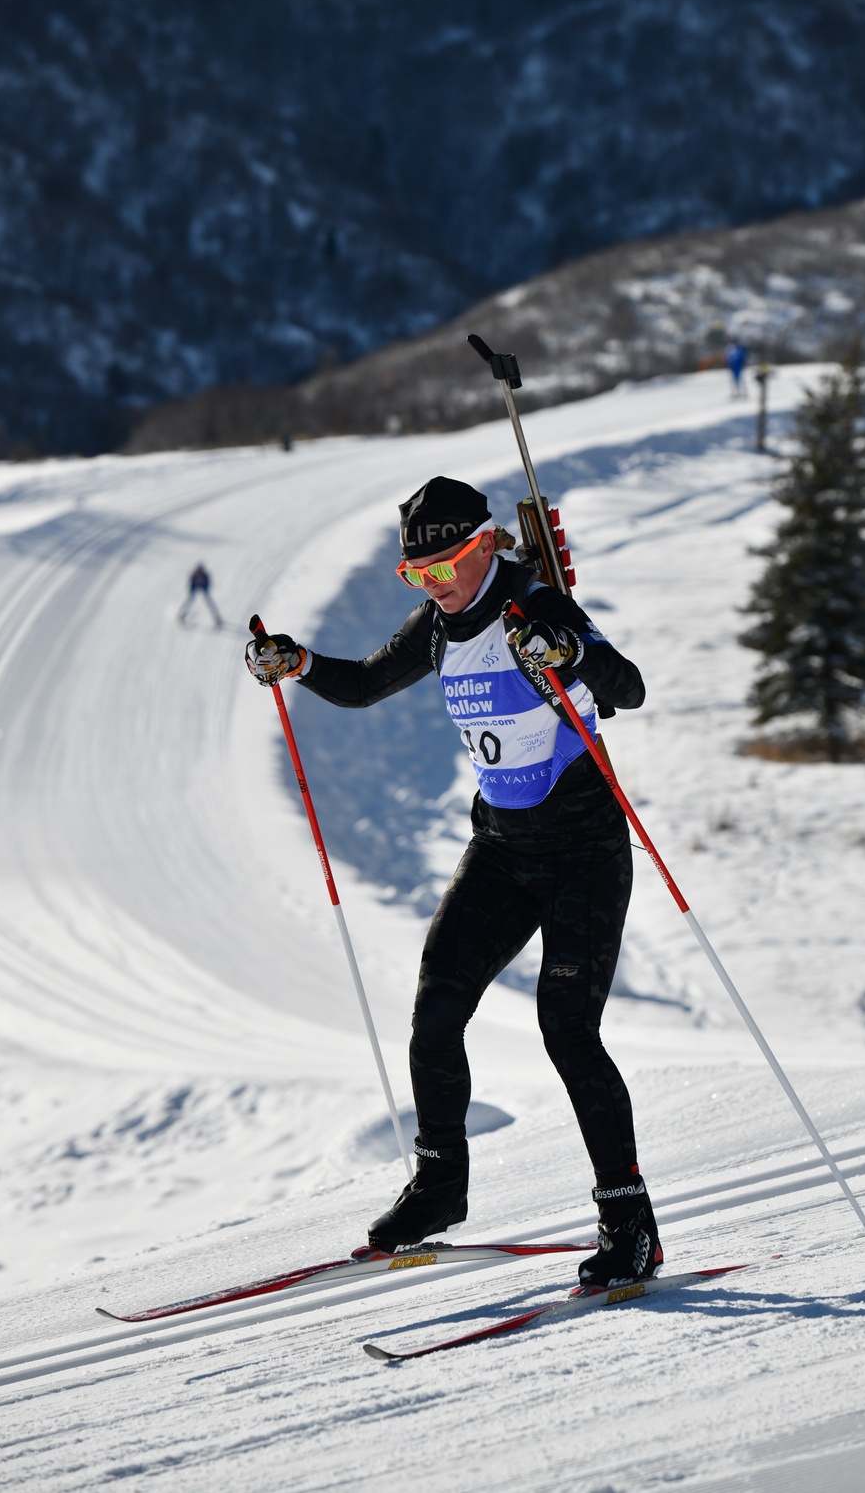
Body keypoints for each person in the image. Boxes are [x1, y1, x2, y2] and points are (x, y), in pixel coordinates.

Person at [245, 476, 661, 1287]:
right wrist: (296, 663)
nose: (433, 584)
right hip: (502, 846)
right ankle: (439, 1187)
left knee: (567, 1031)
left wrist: (569, 651)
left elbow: (629, 688)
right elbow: (364, 683)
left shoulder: (536, 607)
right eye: (417, 575)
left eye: (443, 566)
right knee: (438, 1003)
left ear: (482, 546)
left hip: (582, 847)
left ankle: (630, 1225)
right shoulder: (438, 627)